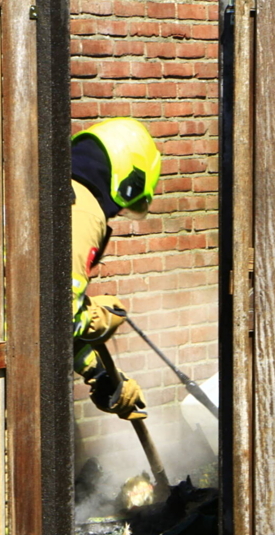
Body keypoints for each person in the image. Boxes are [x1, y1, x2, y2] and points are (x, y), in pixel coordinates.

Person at [71, 118, 161, 421]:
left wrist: (99, 373)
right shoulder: (83, 209)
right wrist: (97, 317)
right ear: (127, 179)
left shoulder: (58, 190)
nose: (119, 213)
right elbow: (56, 321)